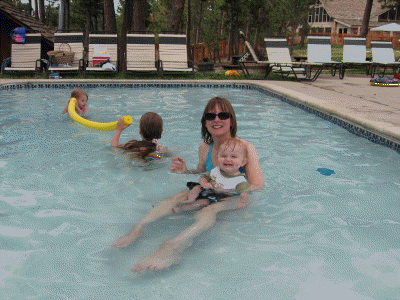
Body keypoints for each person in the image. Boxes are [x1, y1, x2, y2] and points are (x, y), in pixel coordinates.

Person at [112, 97, 264, 274]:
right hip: (211, 189)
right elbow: (202, 170)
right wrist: (185, 171)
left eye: (223, 115)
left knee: (208, 211)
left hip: (237, 195)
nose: (216, 119)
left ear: (231, 121)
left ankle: (173, 247)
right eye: (210, 115)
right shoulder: (205, 147)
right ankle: (138, 229)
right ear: (205, 123)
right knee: (176, 197)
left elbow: (258, 185)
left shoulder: (246, 147)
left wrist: (226, 188)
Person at [174, 138, 250, 213]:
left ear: (243, 162)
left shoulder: (240, 181)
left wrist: (242, 202)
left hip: (219, 197)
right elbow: (204, 177)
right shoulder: (216, 170)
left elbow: (244, 193)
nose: (228, 159)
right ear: (218, 158)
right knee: (197, 187)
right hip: (207, 190)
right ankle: (190, 199)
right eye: (223, 156)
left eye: (233, 156)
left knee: (202, 203)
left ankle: (181, 208)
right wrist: (204, 183)